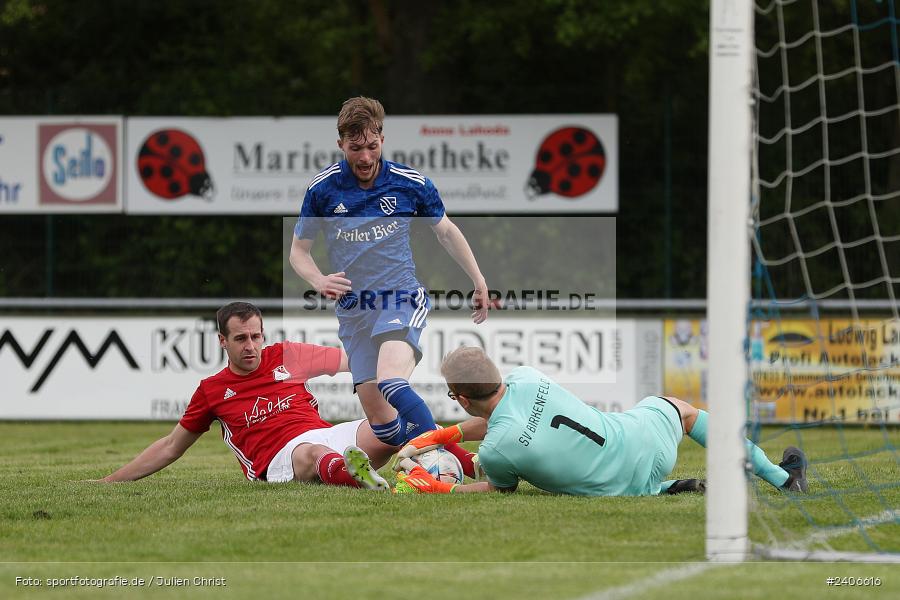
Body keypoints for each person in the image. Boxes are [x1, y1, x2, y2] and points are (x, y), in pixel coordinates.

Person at [289, 96, 488, 474]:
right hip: (353, 312)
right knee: (385, 426)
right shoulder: (324, 190)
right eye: (355, 148)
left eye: (372, 146)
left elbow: (445, 231)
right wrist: (318, 279)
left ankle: (435, 464)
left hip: (399, 297)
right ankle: (464, 460)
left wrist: (477, 280)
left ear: (382, 138)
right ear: (341, 145)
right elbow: (298, 251)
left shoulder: (409, 183)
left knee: (391, 381)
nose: (364, 157)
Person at [394, 346, 808, 495]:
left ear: (462, 399)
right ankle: (783, 479)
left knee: (601, 475)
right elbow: (500, 417)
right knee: (681, 410)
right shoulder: (525, 376)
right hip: (647, 445)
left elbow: (496, 487)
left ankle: (660, 489)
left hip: (613, 490)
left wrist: (433, 487)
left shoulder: (498, 449)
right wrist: (431, 439)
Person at [100, 302, 393, 491]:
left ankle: (433, 472)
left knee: (394, 428)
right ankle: (359, 480)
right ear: (222, 341)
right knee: (314, 453)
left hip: (324, 436)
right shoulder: (211, 390)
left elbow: (355, 361)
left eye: (256, 336)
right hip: (278, 460)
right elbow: (170, 446)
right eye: (240, 339)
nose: (250, 346)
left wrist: (393, 355)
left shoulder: (287, 355)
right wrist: (109, 481)